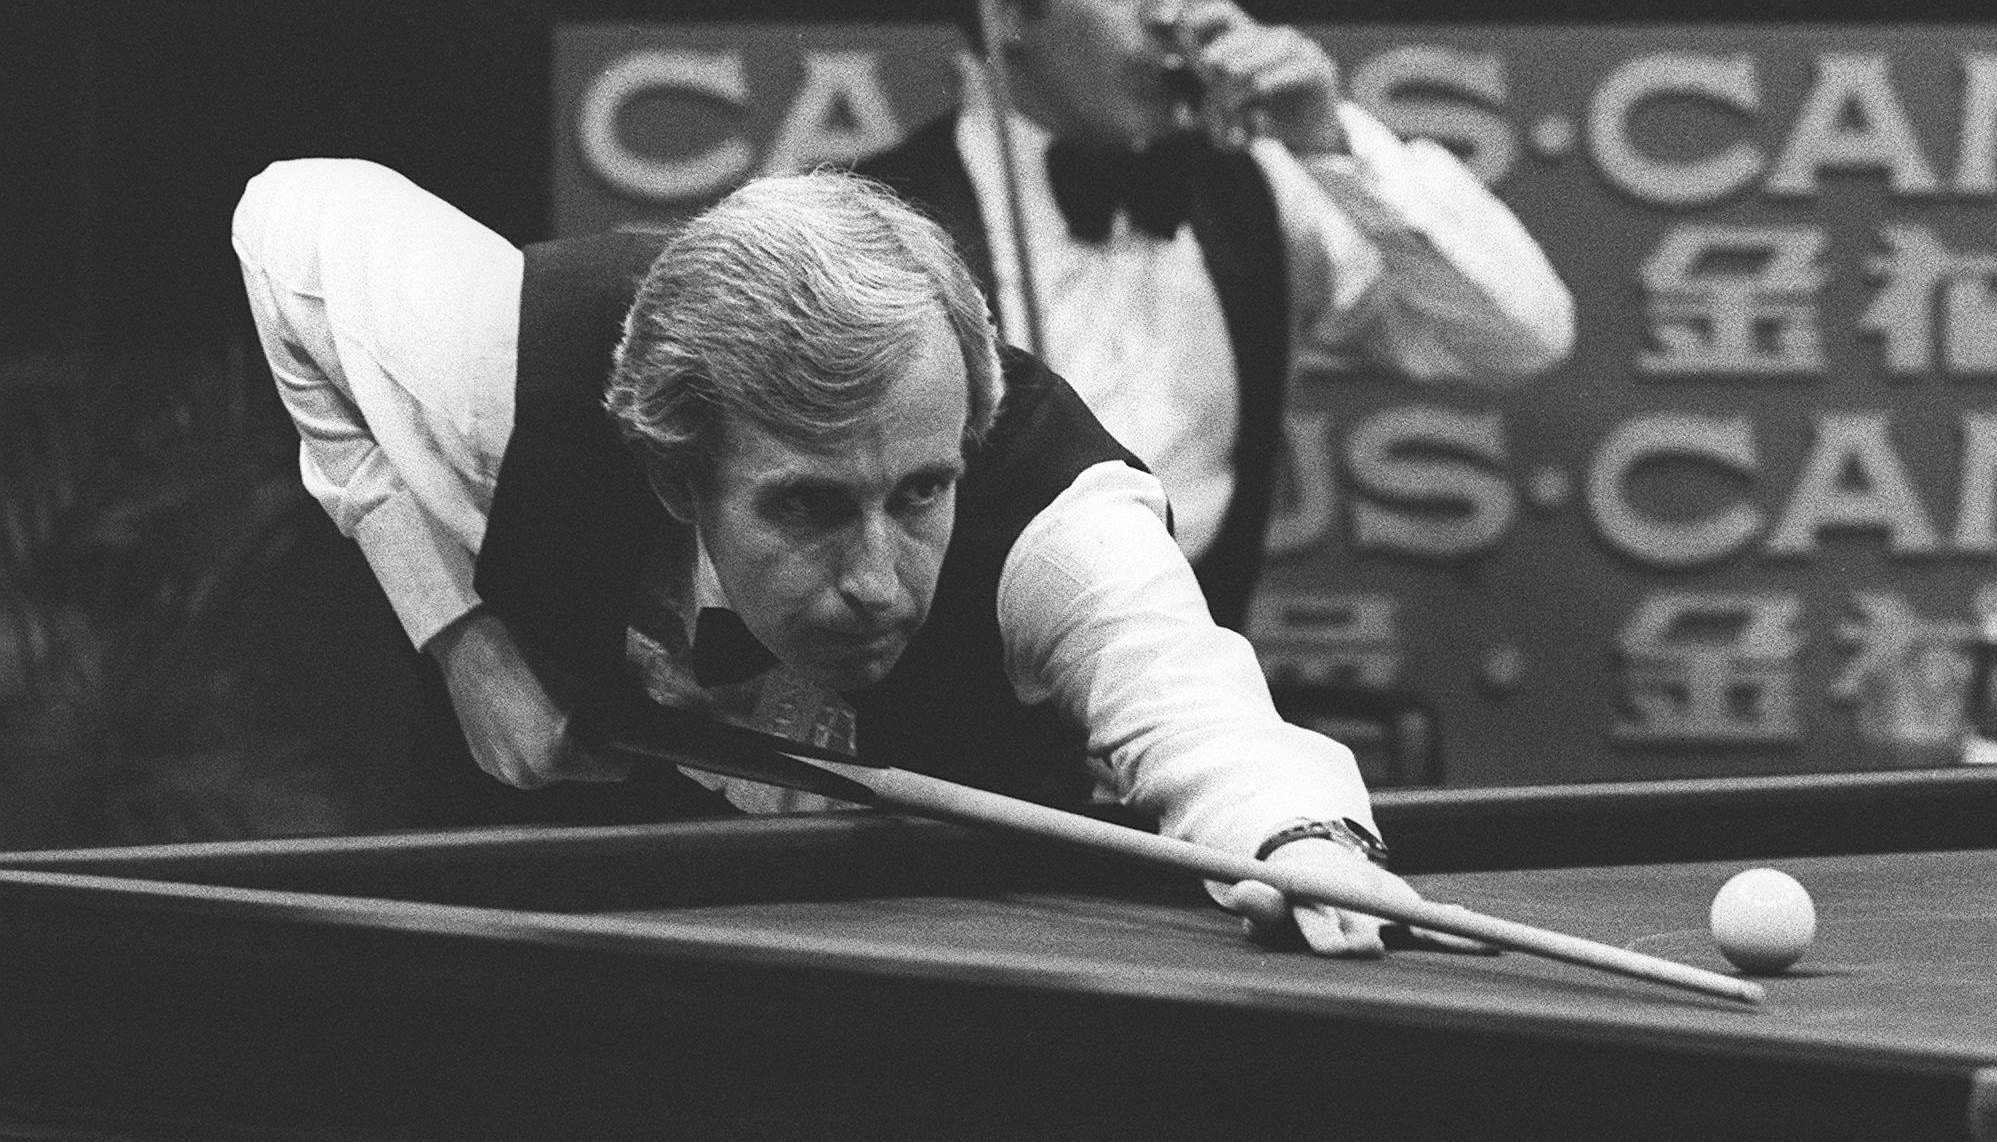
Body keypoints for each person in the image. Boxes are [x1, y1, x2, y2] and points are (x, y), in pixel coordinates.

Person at [234, 157, 1443, 953]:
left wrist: (1304, 842)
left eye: (919, 493)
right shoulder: (514, 371)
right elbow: (285, 223)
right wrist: (457, 632)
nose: (876, 580)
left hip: (972, 968)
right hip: (602, 932)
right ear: (674, 474)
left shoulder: (1058, 524)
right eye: (808, 509)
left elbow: (1197, 709)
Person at [857, 0, 1573, 631]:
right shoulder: (883, 221)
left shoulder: (1259, 188)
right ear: (1007, 10)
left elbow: (1524, 338)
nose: (1171, 11)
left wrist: (1331, 138)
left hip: (1187, 701)